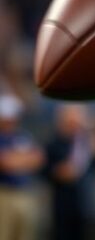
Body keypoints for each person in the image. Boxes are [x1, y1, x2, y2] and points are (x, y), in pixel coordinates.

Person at [45, 104, 95, 240]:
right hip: (63, 205)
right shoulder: (54, 143)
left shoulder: (86, 142)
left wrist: (94, 129)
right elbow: (46, 170)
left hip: (86, 203)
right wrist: (58, 172)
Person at [0, 93, 45, 240]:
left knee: (25, 235)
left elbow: (39, 159)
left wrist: (16, 160)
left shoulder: (23, 135)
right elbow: (5, 163)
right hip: (5, 193)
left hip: (25, 192)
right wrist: (24, 160)